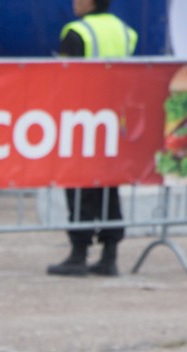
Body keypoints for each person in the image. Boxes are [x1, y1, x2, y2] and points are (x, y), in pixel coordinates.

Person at [47, 0, 137, 277]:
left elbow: (63, 79)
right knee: (109, 187)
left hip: (82, 121)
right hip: (114, 122)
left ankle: (79, 253)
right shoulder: (126, 32)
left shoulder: (77, 32)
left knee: (79, 186)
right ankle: (110, 256)